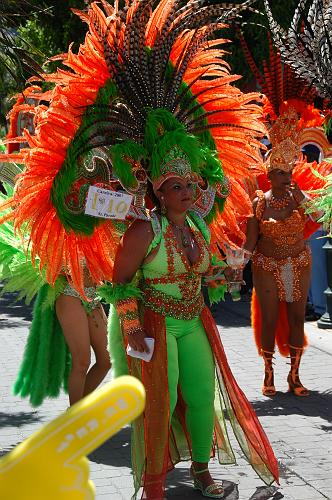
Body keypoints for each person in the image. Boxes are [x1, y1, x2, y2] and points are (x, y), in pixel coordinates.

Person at [244, 108, 318, 398]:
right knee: (271, 318)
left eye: (289, 172)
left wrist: (300, 194)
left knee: (298, 318)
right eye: (280, 173)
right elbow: (251, 242)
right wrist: (234, 262)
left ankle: (295, 375)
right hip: (266, 264)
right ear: (269, 174)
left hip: (299, 262)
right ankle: (269, 371)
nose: (286, 177)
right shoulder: (259, 203)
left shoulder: (300, 199)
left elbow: (320, 214)